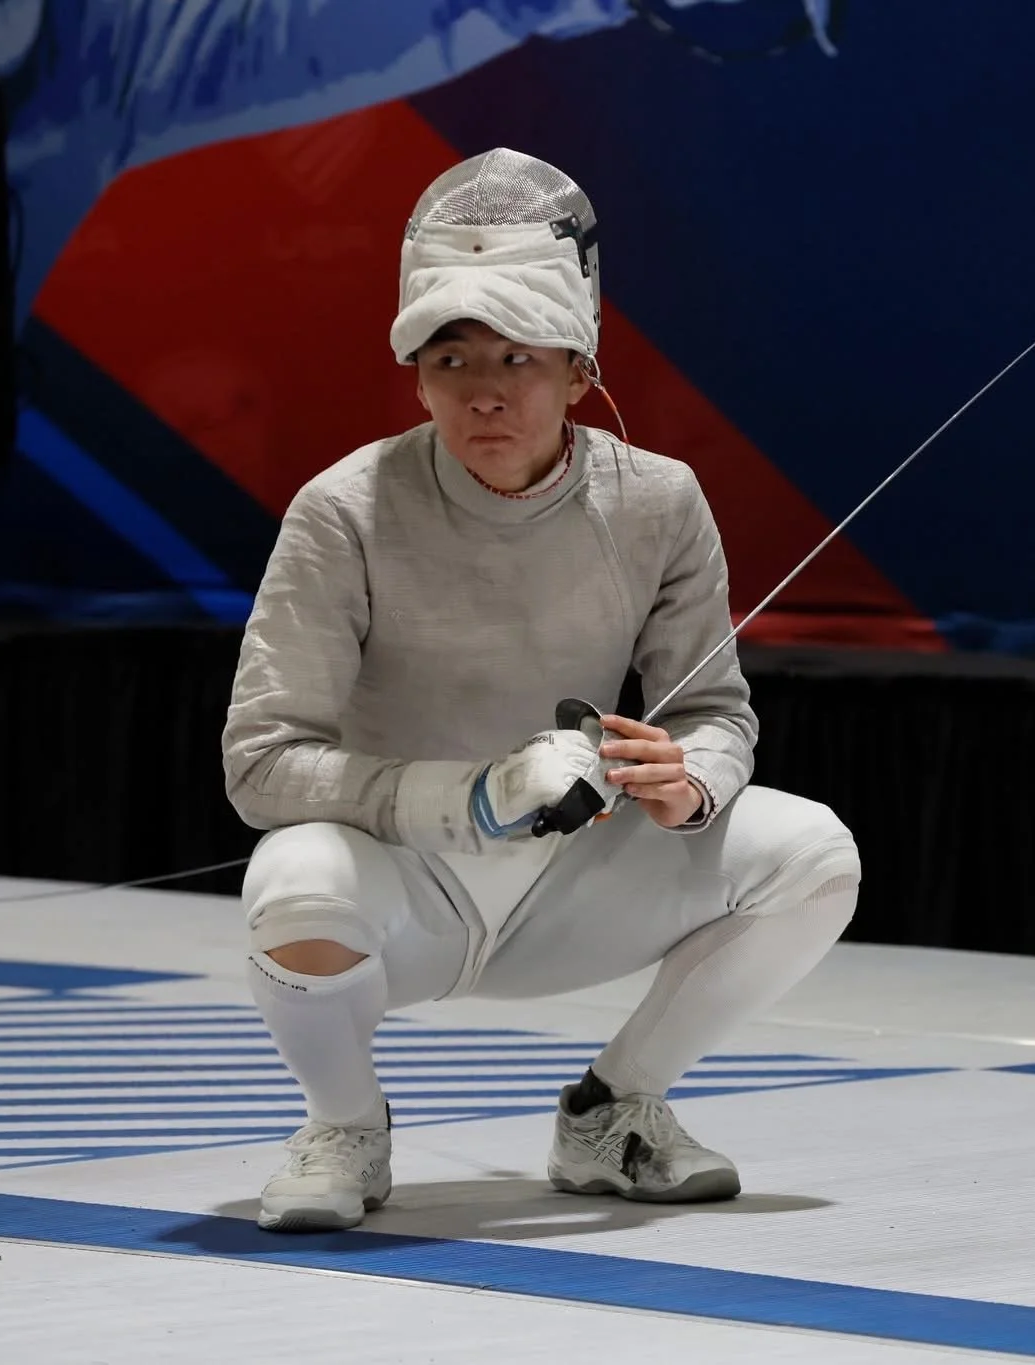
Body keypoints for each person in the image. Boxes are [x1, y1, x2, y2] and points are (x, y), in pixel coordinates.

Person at [220, 147, 861, 1233]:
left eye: (517, 356)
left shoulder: (659, 501)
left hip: (577, 886)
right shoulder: (343, 509)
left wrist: (689, 784)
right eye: (450, 357)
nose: (483, 390)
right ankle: (345, 1126)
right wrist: (466, 796)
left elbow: (713, 712)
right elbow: (263, 763)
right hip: (403, 898)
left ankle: (614, 1113)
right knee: (293, 882)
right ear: (415, 374)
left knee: (813, 856)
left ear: (577, 368)